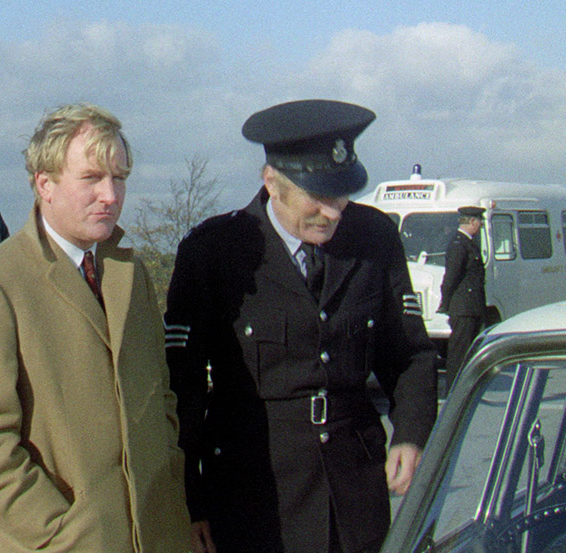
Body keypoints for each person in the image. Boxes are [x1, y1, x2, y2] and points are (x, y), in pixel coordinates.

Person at [165, 100, 438, 553]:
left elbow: (409, 353)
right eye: (318, 197)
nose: (333, 213)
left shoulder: (374, 238)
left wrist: (410, 434)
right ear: (272, 183)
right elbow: (183, 389)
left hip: (354, 492)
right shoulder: (216, 252)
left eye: (342, 195)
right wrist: (192, 502)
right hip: (256, 497)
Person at [0, 103, 192, 552]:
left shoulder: (132, 276)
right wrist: (59, 530)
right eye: (92, 178)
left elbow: (161, 398)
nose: (111, 195)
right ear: (45, 184)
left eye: (120, 178)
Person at [437, 206, 487, 386]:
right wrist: (446, 304)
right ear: (472, 221)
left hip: (471, 307)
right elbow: (451, 278)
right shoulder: (459, 245)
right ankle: (454, 390)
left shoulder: (468, 243)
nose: (480, 225)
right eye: (479, 221)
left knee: (469, 353)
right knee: (459, 354)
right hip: (463, 308)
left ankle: (466, 387)